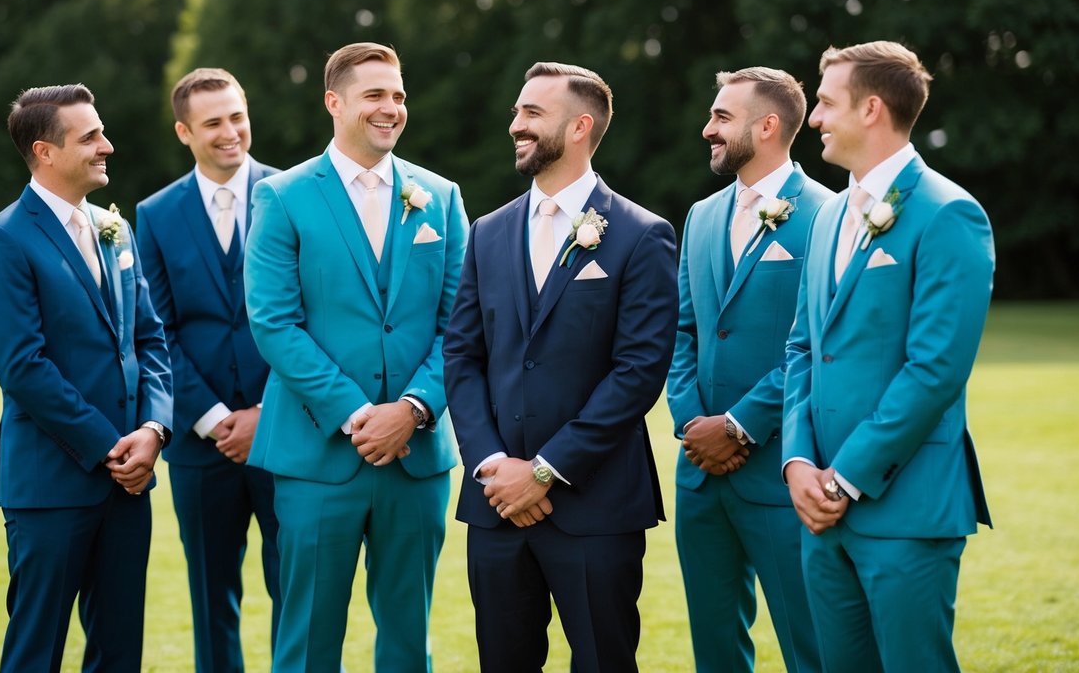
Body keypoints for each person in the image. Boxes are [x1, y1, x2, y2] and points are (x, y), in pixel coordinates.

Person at [443, 61, 679, 672]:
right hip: (495, 507)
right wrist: (494, 464)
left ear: (579, 127)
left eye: (531, 113)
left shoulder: (640, 234)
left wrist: (545, 472)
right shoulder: (487, 233)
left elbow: (638, 371)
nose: (515, 124)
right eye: (518, 111)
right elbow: (463, 355)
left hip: (596, 506)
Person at [243, 42, 468, 672]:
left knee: (407, 638)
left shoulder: (441, 197)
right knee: (309, 640)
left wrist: (415, 409)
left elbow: (463, 325)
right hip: (318, 454)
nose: (391, 107)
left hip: (416, 456)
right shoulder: (283, 197)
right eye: (375, 95)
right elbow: (274, 323)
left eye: (398, 95)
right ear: (333, 102)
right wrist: (357, 413)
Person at [783, 41, 994, 672]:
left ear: (871, 108)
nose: (813, 118)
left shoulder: (949, 213)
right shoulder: (825, 217)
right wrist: (797, 461)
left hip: (905, 508)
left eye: (824, 102)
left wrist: (844, 477)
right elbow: (801, 347)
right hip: (819, 510)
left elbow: (935, 370)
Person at [0, 84, 172, 672]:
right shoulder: (3, 240)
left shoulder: (116, 230)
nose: (107, 145)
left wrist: (154, 429)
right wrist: (112, 446)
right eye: (90, 137)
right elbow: (23, 368)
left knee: (118, 651)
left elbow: (150, 340)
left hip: (130, 483)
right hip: (51, 486)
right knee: (36, 651)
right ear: (45, 151)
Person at [667, 67, 830, 672]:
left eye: (721, 118)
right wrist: (692, 424)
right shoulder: (702, 216)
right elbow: (682, 331)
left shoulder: (827, 215)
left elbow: (816, 342)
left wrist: (737, 424)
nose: (707, 128)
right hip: (700, 476)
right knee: (714, 647)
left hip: (783, 470)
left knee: (808, 644)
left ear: (767, 126)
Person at [136, 68, 281, 672]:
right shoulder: (155, 214)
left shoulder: (294, 193)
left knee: (297, 591)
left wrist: (266, 414)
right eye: (213, 122)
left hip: (286, 434)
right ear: (184, 132)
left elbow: (314, 318)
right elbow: (156, 330)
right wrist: (217, 418)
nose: (231, 132)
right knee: (210, 598)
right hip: (201, 448)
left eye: (237, 116)